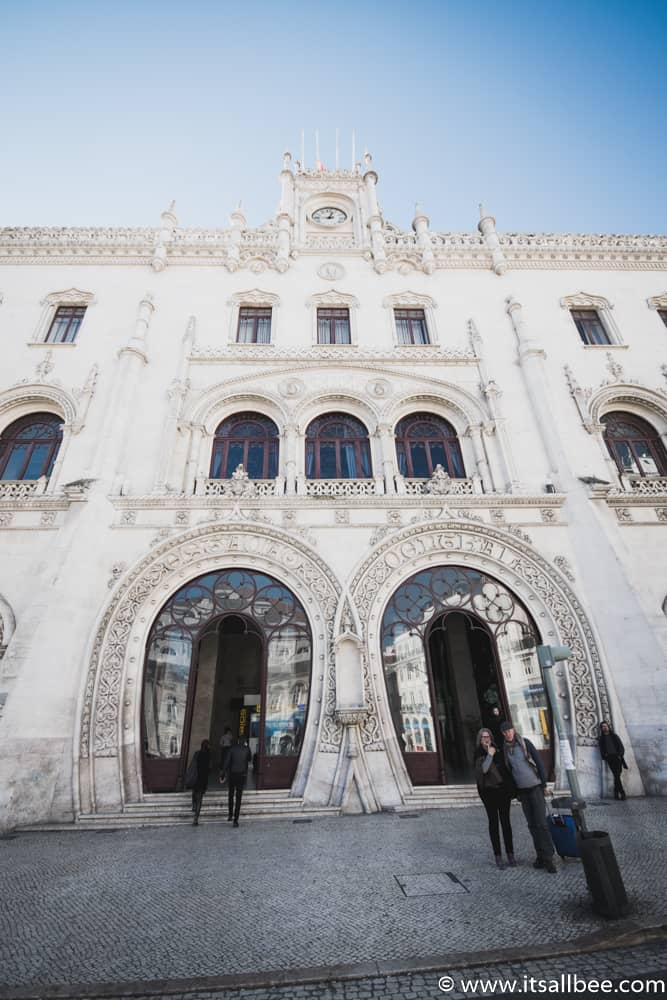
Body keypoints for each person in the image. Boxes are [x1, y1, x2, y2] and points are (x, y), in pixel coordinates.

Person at [500, 721, 557, 873]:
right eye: (505, 732)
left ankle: (549, 857)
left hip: (535, 788)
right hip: (522, 791)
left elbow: (538, 762)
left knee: (541, 823)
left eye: (509, 730)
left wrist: (544, 784)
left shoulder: (525, 743)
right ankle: (540, 855)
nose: (508, 733)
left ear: (514, 730)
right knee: (531, 824)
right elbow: (508, 771)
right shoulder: (505, 750)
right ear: (503, 734)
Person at [475, 727, 516, 869]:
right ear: (480, 739)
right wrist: (489, 755)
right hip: (488, 793)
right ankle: (498, 856)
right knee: (493, 823)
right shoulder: (479, 753)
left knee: (506, 823)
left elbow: (505, 769)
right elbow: (484, 770)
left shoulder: (497, 749)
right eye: (483, 737)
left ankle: (511, 854)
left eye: (488, 737)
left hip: (502, 791)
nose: (486, 739)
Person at [225, 736, 252, 827]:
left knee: (231, 794)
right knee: (238, 798)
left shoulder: (232, 749)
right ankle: (236, 820)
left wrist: (223, 773)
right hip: (241, 775)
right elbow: (249, 759)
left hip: (232, 774)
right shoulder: (246, 749)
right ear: (244, 742)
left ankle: (230, 815)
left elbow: (227, 762)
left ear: (237, 741)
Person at [598, 720, 627, 800]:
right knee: (616, 775)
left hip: (617, 757)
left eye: (605, 726)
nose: (604, 728)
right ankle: (621, 793)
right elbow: (602, 749)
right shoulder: (601, 739)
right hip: (610, 758)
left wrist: (620, 755)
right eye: (603, 726)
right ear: (601, 728)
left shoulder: (614, 736)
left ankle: (616, 793)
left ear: (608, 727)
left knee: (616, 775)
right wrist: (605, 756)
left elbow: (621, 747)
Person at [191, 739, 211, 826]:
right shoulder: (208, 755)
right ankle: (196, 819)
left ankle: (193, 805)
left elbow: (192, 765)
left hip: (195, 777)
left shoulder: (197, 753)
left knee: (194, 792)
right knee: (200, 799)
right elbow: (210, 768)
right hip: (203, 779)